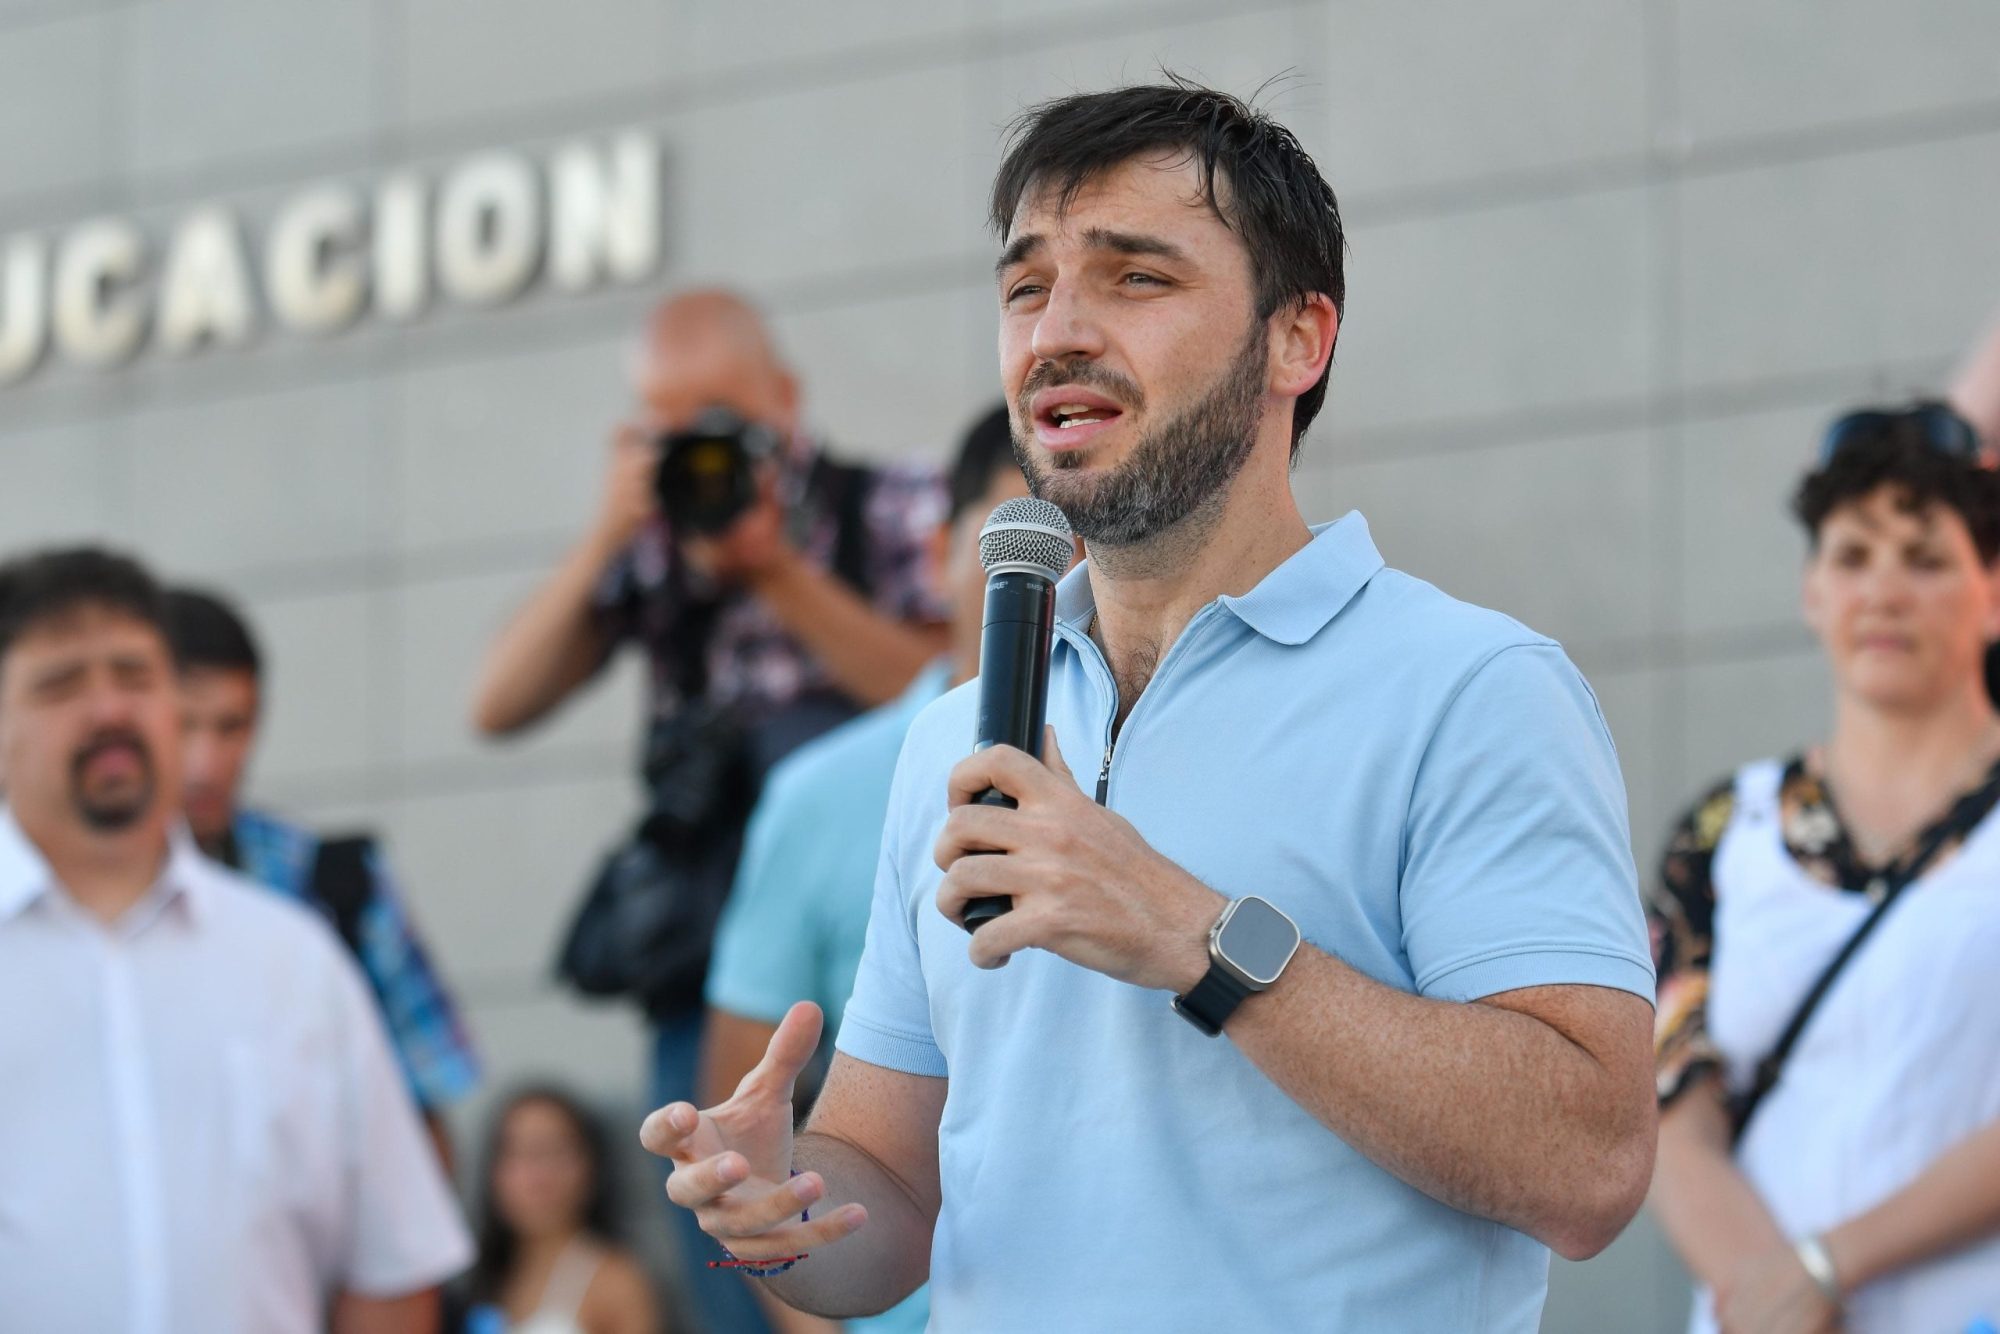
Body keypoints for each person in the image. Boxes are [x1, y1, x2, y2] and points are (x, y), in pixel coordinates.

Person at [642, 80, 1658, 1332]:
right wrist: (778, 1208)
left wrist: (1189, 933)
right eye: (1025, 289)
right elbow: (894, 1197)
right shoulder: (944, 742)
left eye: (1133, 278)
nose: (1055, 331)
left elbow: (1590, 1166)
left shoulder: (1471, 689)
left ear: (1299, 338)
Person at [472, 288, 948, 1334]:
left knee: (896, 1218)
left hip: (875, 924)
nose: (700, 445)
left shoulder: (894, 503)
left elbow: (947, 684)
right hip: (711, 953)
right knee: (726, 1217)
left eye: (721, 412)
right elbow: (496, 702)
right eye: (669, 421)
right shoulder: (649, 544)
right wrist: (608, 531)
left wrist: (774, 571)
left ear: (784, 397)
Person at [0, 546, 471, 1332]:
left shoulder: (296, 960)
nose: (110, 710)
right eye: (62, 684)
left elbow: (391, 1269)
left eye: (137, 676)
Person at [1646, 403, 2000, 1334]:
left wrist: (1829, 1267)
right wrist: (1774, 1294)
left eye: (1925, 559)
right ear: (1811, 590)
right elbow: (1671, 1105)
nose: (1883, 591)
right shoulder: (1726, 830)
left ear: (1993, 591)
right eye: (1852, 557)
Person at [697, 403, 1031, 1334]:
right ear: (935, 552)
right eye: (1012, 527)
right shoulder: (824, 793)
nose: (1051, 563)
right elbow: (741, 1087)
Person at [163, 586, 480, 1165]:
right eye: (183, 725)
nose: (205, 762)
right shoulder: (57, 895)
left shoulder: (332, 882)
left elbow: (421, 1108)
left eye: (230, 726)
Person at [465, 1086, 662, 1334]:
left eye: (554, 1152)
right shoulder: (482, 1279)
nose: (536, 1176)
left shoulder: (617, 1282)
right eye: (518, 1154)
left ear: (591, 1167)